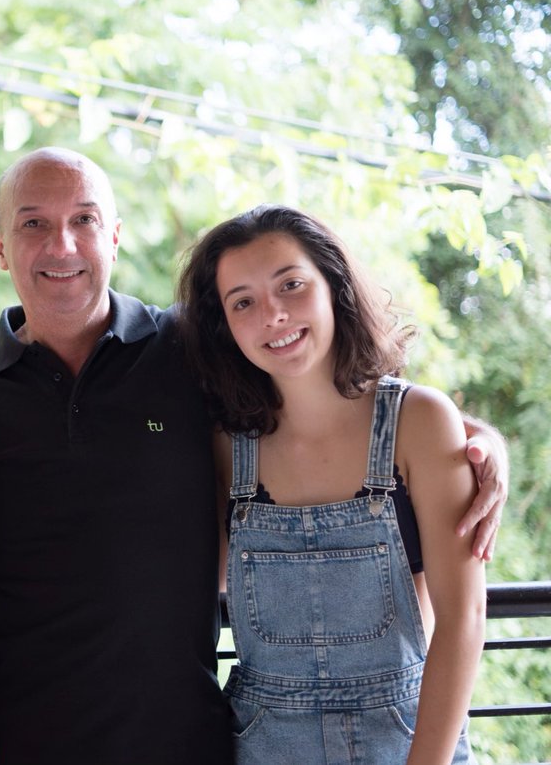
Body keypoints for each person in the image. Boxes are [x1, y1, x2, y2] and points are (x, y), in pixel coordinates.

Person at [0, 147, 506, 765]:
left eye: (85, 219)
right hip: (23, 733)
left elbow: (330, 386)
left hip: (190, 736)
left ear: (115, 236)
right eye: (33, 224)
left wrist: (475, 441)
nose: (64, 245)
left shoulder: (183, 352)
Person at [177, 205, 484, 764]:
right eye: (242, 301)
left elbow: (463, 618)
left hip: (409, 738)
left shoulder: (418, 422)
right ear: (225, 325)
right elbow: (181, 582)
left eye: (291, 285)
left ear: (333, 285)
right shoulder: (225, 446)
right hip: (262, 743)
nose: (272, 314)